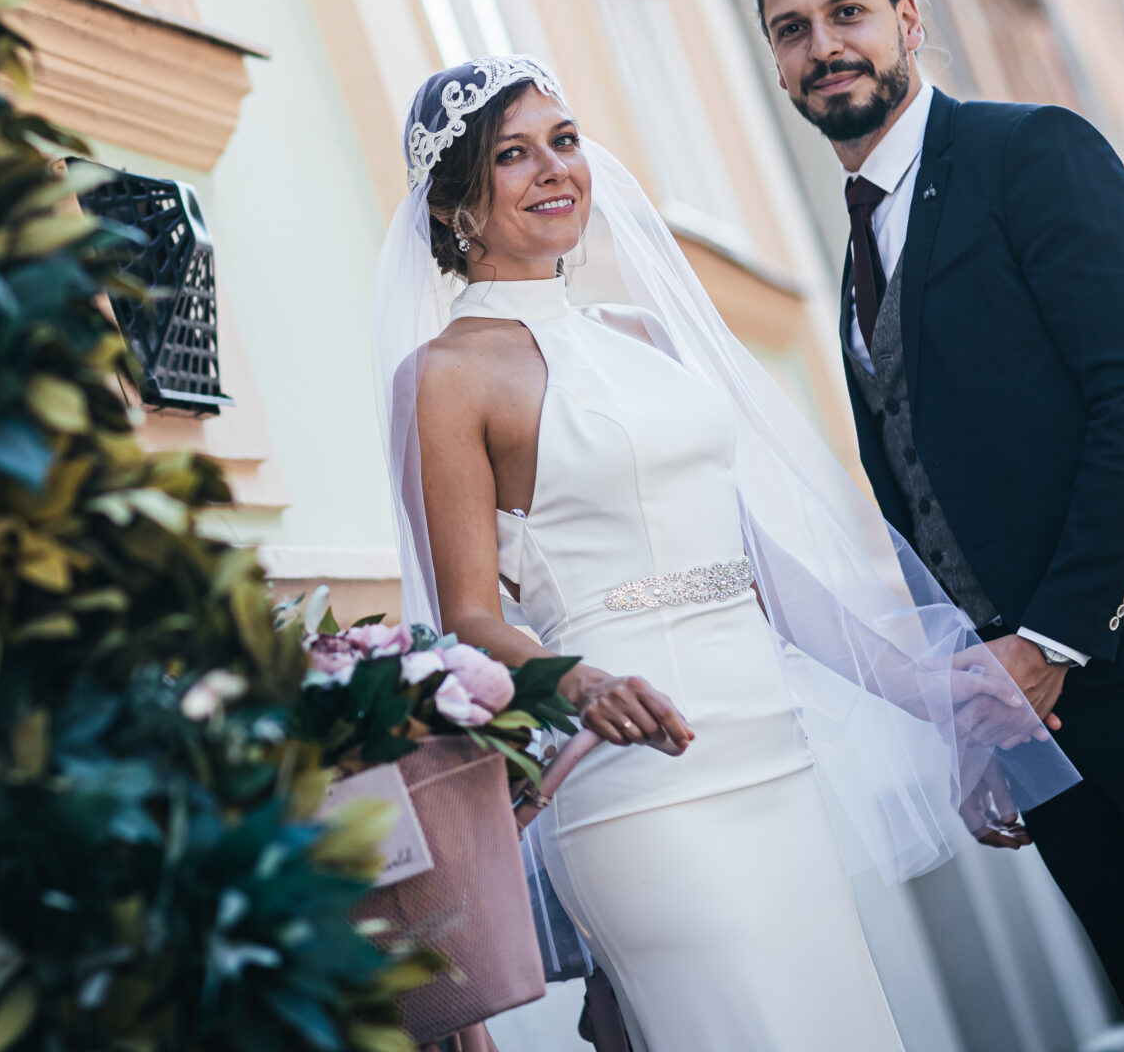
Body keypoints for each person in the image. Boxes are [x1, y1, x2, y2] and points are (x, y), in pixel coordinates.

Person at [374, 56, 1077, 1052]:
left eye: (564, 141)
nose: (555, 168)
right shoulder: (443, 376)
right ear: (455, 205)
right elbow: (467, 619)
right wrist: (577, 679)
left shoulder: (642, 333)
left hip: (771, 749)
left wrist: (924, 686)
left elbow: (757, 562)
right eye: (512, 155)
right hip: (636, 772)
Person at [754, 0, 1124, 1048]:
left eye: (847, 13)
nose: (823, 45)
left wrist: (1052, 641)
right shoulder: (860, 244)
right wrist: (980, 725)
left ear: (908, 19)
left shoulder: (1033, 153)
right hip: (1038, 729)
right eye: (792, 30)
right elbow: (925, 506)